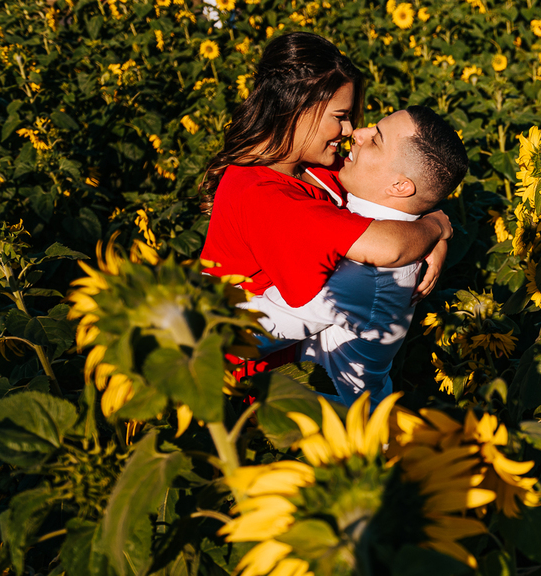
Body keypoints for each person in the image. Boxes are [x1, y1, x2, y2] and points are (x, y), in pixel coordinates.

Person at [197, 31, 453, 380]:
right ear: (296, 108)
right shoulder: (263, 196)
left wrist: (433, 218)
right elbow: (389, 246)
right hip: (245, 378)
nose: (349, 130)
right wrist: (436, 229)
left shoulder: (317, 168)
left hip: (294, 362)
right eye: (340, 115)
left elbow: (396, 195)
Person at [242, 106, 469, 405]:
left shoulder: (363, 273)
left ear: (399, 186)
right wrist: (436, 225)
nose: (357, 134)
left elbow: (253, 331)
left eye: (377, 139)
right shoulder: (394, 228)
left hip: (331, 431)